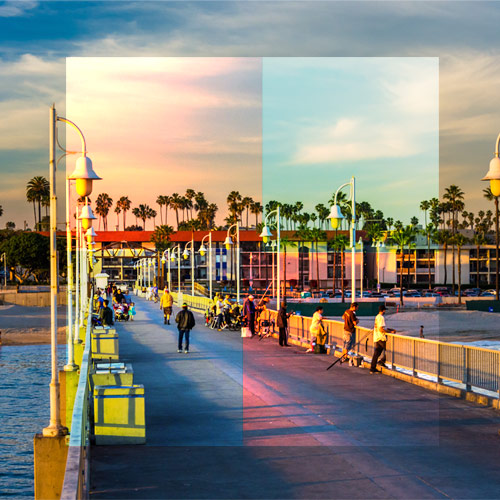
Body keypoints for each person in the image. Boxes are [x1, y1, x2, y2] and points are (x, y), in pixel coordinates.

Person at [370, 304, 395, 374]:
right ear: (383, 310)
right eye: (384, 310)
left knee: (376, 353)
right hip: (381, 338)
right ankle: (381, 362)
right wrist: (390, 332)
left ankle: (372, 368)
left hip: (376, 337)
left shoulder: (377, 317)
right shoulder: (381, 318)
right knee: (389, 351)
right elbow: (381, 329)